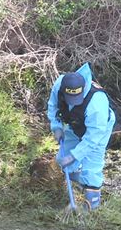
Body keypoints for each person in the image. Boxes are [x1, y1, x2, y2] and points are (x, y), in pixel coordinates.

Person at [46, 62, 116, 210]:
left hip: (98, 130)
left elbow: (92, 138)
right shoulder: (59, 85)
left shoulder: (97, 104)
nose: (73, 102)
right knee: (62, 161)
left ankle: (91, 207)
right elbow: (53, 106)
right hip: (74, 123)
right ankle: (76, 184)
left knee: (91, 167)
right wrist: (56, 127)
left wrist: (74, 156)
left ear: (83, 90)